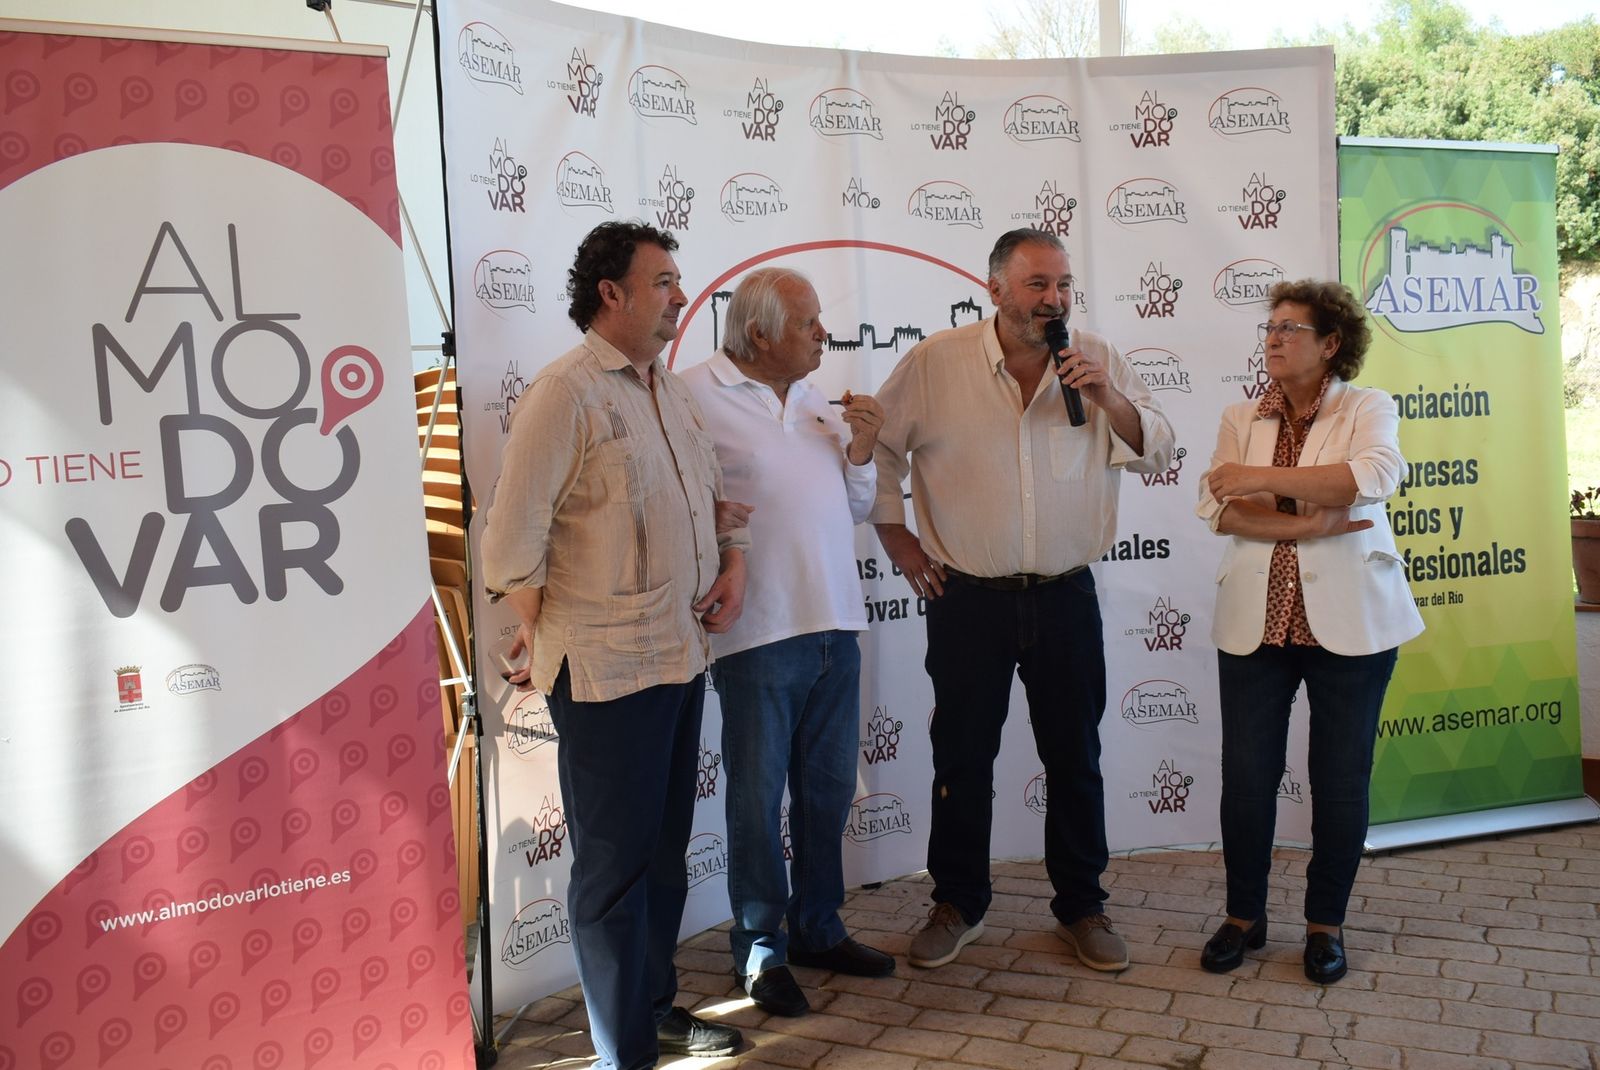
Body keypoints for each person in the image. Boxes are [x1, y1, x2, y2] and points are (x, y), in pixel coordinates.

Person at [481, 221, 750, 1069]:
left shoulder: (664, 388)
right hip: (605, 677)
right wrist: (543, 628)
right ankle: (621, 1053)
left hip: (680, 658)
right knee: (615, 876)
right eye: (664, 280)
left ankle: (654, 1012)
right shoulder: (565, 394)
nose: (679, 294)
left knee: (663, 858)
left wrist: (730, 560)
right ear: (613, 294)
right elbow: (507, 548)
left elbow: (708, 503)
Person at [870, 228, 1174, 972]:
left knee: (1076, 755)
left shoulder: (1095, 360)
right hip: (967, 598)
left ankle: (1083, 906)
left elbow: (1159, 449)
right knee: (963, 756)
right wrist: (898, 538)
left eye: (1064, 285)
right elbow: (878, 448)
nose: (1055, 300)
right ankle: (958, 901)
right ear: (996, 289)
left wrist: (1106, 394)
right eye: (1038, 285)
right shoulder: (934, 364)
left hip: (1067, 597)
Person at [681, 268, 895, 1018]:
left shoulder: (816, 402)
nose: (822, 336)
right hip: (758, 631)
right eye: (808, 324)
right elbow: (679, 500)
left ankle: (817, 925)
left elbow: (858, 505)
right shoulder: (691, 394)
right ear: (761, 332)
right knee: (755, 797)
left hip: (837, 621)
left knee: (829, 789)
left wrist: (862, 449)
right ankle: (758, 945)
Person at [1195, 279, 1423, 984]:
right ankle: (1244, 917)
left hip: (1353, 622)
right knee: (1247, 779)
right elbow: (1221, 508)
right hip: (1256, 623)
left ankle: (1326, 925)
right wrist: (1305, 520)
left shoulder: (1367, 406)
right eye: (1270, 326)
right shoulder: (1240, 413)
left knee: (1341, 779)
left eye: (1291, 328)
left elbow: (1373, 477)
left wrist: (1256, 478)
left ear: (1331, 345)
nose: (1273, 337)